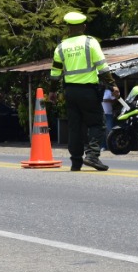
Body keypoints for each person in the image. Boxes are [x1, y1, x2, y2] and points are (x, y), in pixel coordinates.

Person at [49, 11, 115, 171]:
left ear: (68, 28)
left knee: (74, 127)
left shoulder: (61, 47)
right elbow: (102, 66)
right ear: (84, 27)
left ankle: (76, 161)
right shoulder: (90, 42)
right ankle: (92, 155)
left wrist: (52, 92)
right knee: (97, 123)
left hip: (70, 92)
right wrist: (112, 85)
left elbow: (55, 73)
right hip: (88, 91)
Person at [101, 83, 122, 148]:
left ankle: (111, 146)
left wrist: (105, 100)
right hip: (101, 114)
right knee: (102, 131)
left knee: (110, 130)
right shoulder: (99, 91)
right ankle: (103, 146)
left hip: (108, 114)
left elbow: (115, 100)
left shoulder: (108, 91)